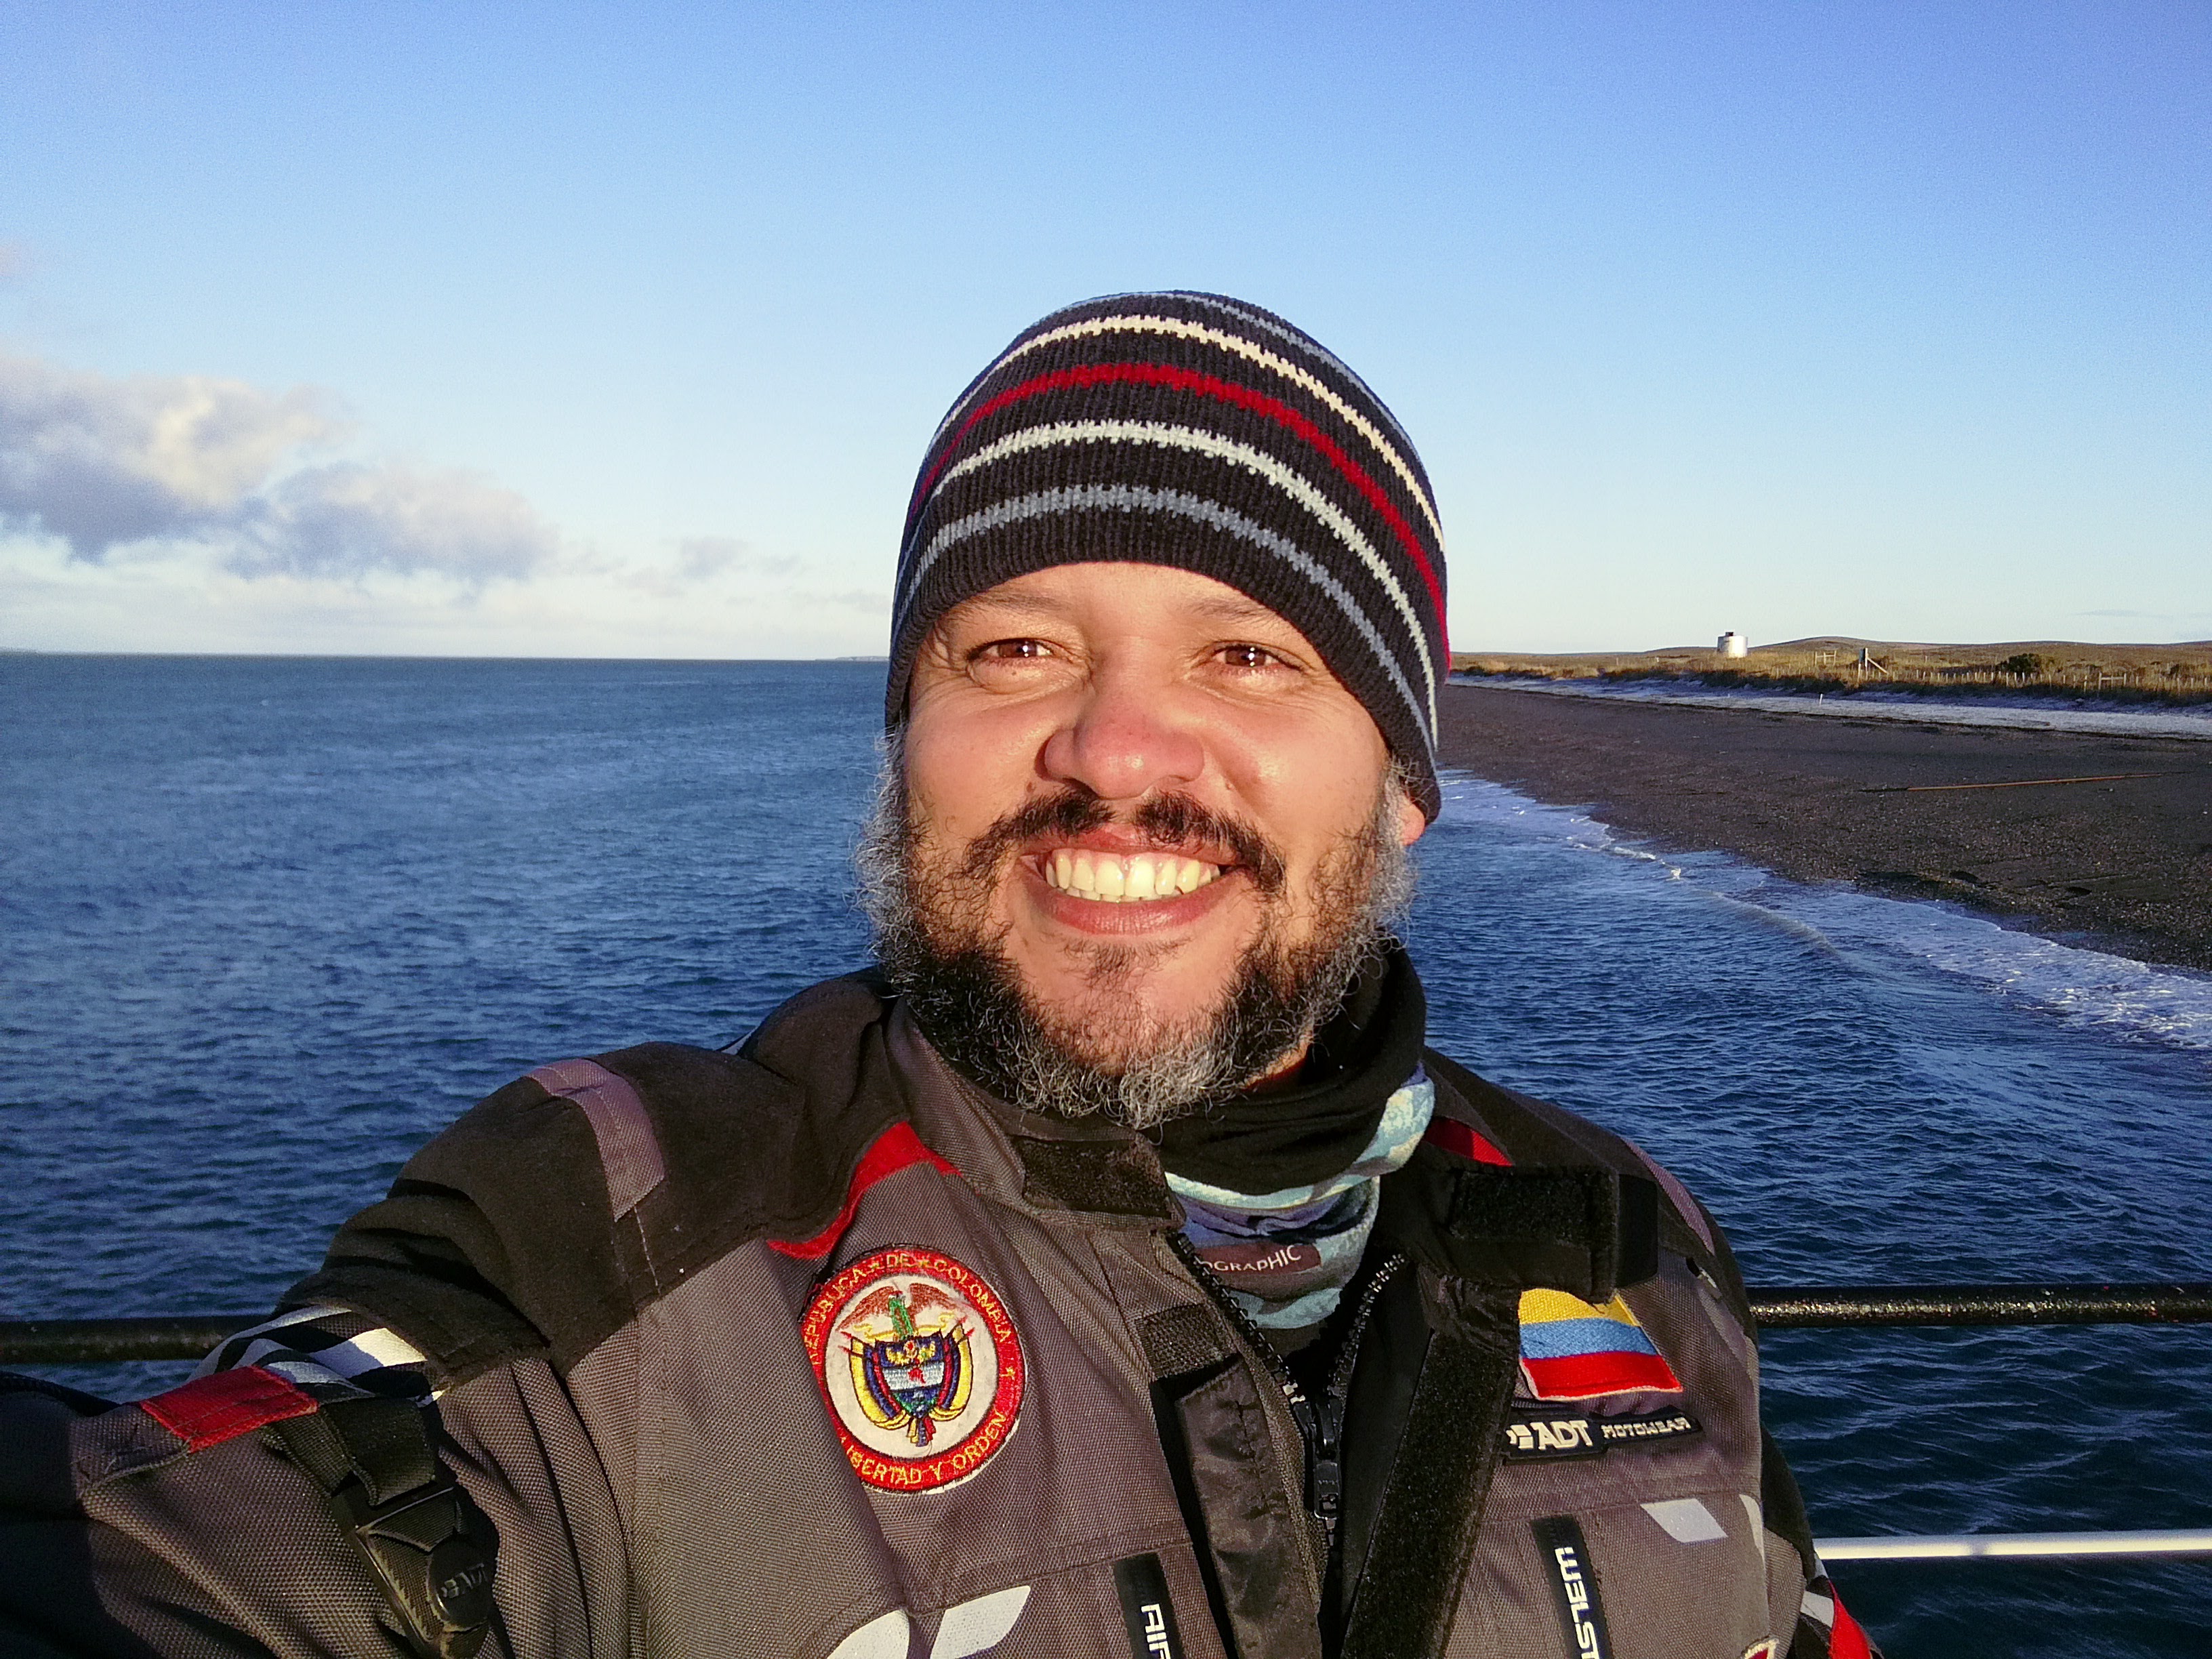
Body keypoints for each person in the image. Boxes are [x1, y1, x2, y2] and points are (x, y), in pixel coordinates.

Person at [0, 292, 1877, 1659]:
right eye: (1013, 649)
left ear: (1401, 781)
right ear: (906, 739)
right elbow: (202, 1548)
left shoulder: (1630, 1236)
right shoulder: (613, 1225)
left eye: (1247, 657)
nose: (1116, 751)